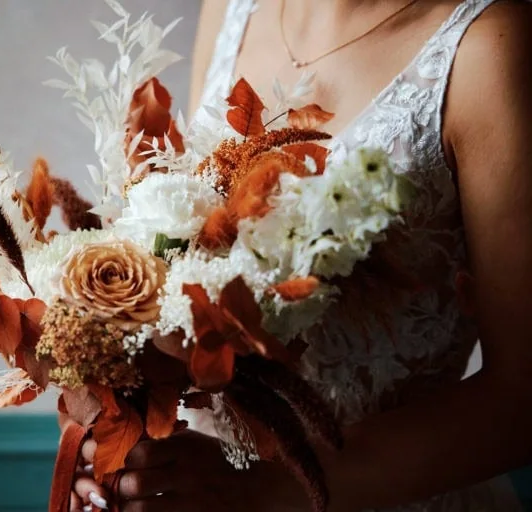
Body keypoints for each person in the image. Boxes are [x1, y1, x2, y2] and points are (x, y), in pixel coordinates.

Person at [67, 0, 532, 510]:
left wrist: (260, 489)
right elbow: (192, 248)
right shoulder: (230, 10)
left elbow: (520, 399)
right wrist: (109, 412)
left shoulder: (489, 48)